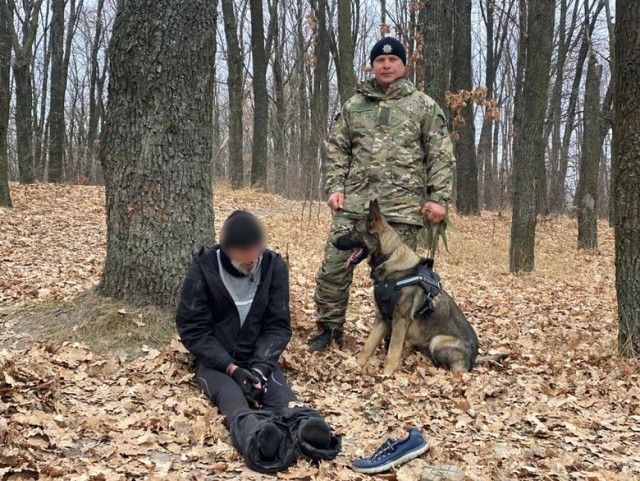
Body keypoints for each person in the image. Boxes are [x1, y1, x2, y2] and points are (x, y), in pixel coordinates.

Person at [309, 37, 455, 352]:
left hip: (401, 210)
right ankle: (329, 330)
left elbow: (441, 156)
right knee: (334, 268)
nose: (386, 66)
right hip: (355, 206)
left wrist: (438, 198)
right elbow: (337, 150)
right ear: (373, 65)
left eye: (393, 61)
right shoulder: (354, 106)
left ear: (404, 65)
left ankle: (394, 339)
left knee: (399, 283)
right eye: (380, 61)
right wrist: (335, 186)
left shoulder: (423, 106)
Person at [176, 211, 340, 473]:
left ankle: (308, 430)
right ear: (229, 249)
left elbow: (277, 325)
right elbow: (192, 329)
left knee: (281, 395)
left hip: (258, 358)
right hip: (216, 363)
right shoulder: (204, 269)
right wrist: (232, 368)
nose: (254, 257)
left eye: (257, 250)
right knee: (232, 399)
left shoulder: (273, 266)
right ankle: (258, 434)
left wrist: (260, 369)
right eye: (246, 252)